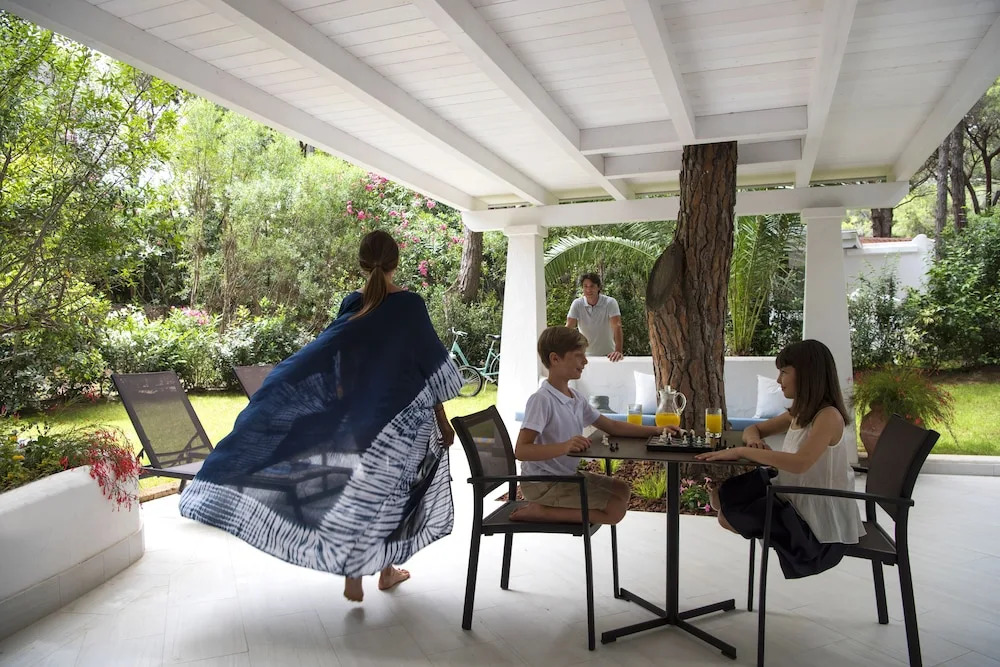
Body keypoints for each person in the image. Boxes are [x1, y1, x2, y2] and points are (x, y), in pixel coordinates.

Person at [179, 230, 463, 602]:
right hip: (397, 422)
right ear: (397, 262)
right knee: (390, 493)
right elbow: (431, 369)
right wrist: (442, 420)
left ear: (361, 264)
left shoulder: (353, 303)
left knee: (358, 489)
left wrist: (338, 404)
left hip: (358, 419)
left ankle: (362, 574)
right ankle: (378, 571)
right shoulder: (410, 306)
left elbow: (336, 356)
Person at [695, 339, 865, 578]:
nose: (778, 380)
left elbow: (800, 463)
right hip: (793, 495)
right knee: (723, 496)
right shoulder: (799, 413)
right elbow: (753, 429)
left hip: (817, 522)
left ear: (807, 375)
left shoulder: (828, 417)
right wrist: (753, 441)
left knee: (727, 514)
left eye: (784, 372)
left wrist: (742, 451)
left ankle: (765, 525)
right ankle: (741, 509)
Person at [510, 326, 679, 524]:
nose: (585, 361)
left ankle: (548, 509)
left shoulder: (575, 398)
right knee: (615, 510)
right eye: (578, 355)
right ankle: (541, 511)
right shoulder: (542, 400)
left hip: (564, 476)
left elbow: (612, 426)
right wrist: (564, 447)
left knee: (622, 490)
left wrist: (657, 430)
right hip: (542, 484)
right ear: (555, 359)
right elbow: (521, 450)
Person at [566, 273, 623, 361]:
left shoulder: (610, 303)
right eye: (585, 286)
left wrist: (618, 351)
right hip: (584, 356)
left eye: (592, 286)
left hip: (609, 355)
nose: (588, 290)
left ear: (598, 287)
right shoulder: (577, 304)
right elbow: (569, 328)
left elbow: (617, 326)